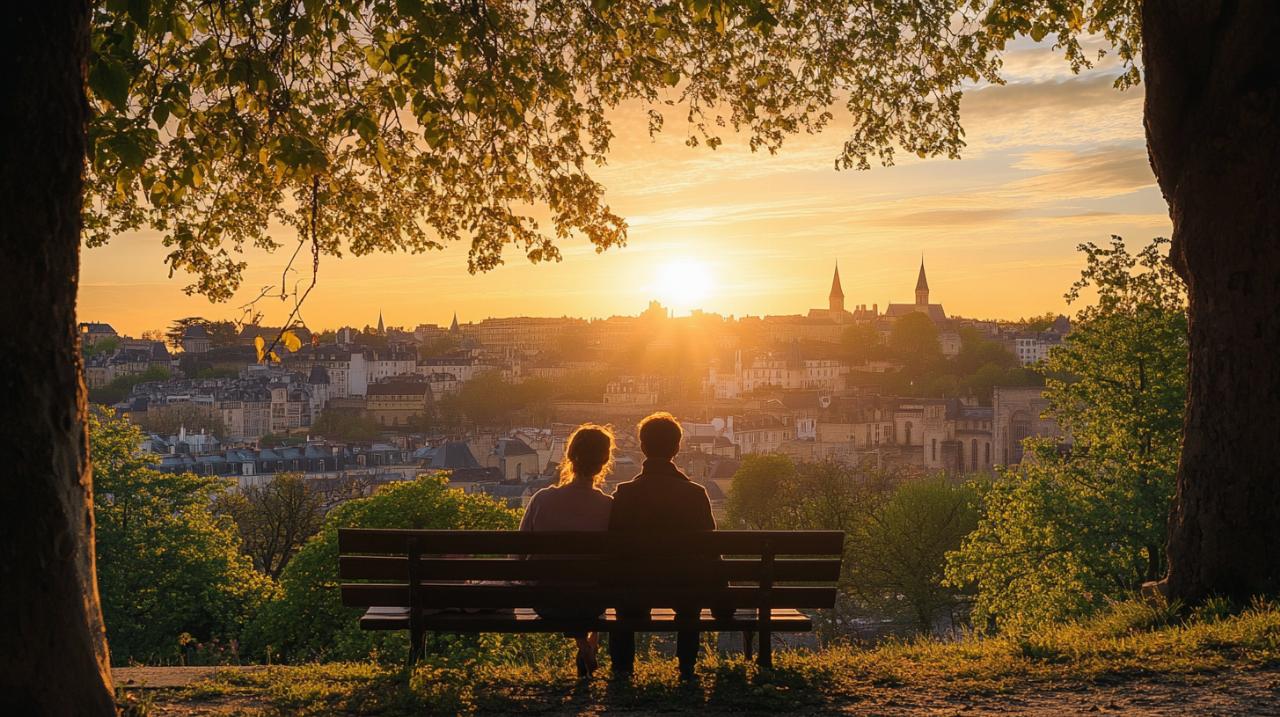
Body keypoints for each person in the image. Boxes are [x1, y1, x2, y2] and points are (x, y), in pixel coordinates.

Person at [608, 412, 727, 681]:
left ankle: (622, 667)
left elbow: (613, 551)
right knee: (690, 593)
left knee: (624, 595)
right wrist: (724, 600)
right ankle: (686, 666)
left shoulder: (625, 494)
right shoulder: (696, 494)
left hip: (633, 589)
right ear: (676, 448)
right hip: (685, 589)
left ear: (642, 447)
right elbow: (711, 552)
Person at [518, 424, 615, 679]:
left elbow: (517, 555)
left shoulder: (541, 500)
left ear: (570, 457)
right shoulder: (610, 507)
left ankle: (585, 644)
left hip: (547, 603)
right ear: (604, 461)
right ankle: (589, 642)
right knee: (590, 588)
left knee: (570, 587)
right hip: (592, 605)